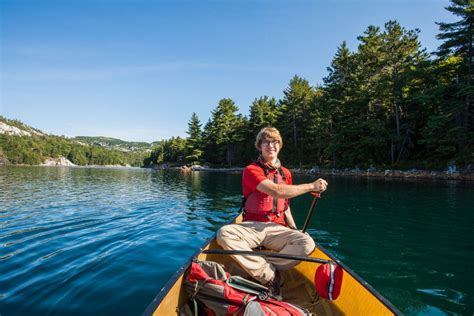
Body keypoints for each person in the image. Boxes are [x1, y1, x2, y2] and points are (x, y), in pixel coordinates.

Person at [216, 127, 328, 295]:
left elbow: (285, 204)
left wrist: (294, 228)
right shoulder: (251, 170)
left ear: (280, 145)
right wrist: (312, 186)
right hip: (252, 226)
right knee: (224, 233)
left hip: (277, 228)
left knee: (307, 243)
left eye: (275, 141)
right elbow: (276, 191)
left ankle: (259, 265)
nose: (271, 145)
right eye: (266, 142)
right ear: (259, 146)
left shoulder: (286, 174)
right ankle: (269, 275)